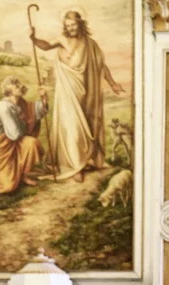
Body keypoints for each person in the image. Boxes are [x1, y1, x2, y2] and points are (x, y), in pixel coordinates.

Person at [30, 11, 124, 183]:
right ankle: (75, 167)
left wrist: (112, 83)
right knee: (72, 127)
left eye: (73, 25)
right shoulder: (62, 39)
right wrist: (34, 39)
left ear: (80, 24)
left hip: (85, 92)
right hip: (67, 91)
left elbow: (101, 66)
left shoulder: (90, 44)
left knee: (87, 126)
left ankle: (84, 160)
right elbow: (46, 45)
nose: (70, 28)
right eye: (67, 26)